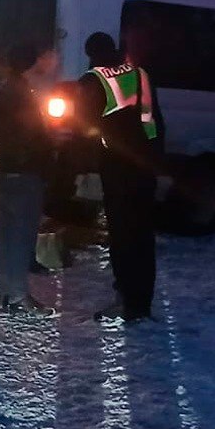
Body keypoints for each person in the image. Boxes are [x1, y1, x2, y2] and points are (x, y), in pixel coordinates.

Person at [77, 31, 163, 322]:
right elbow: (152, 120)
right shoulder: (140, 75)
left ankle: (125, 299)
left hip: (116, 168)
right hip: (144, 166)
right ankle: (142, 302)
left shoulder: (93, 80)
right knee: (143, 235)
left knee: (122, 234)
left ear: (91, 54)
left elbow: (85, 126)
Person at [0, 42, 59, 318]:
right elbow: (29, 137)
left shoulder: (5, 90)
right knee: (20, 234)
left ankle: (6, 291)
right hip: (22, 171)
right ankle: (17, 296)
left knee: (7, 233)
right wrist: (47, 149)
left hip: (6, 169)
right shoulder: (19, 95)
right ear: (30, 65)